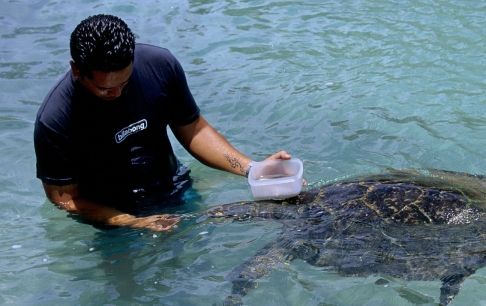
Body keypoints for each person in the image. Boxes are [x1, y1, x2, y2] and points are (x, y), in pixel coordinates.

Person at [34, 14, 294, 232]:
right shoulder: (55, 119)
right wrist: (131, 222)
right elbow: (66, 198)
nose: (117, 94)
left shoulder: (160, 65)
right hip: (112, 215)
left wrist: (253, 169)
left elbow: (195, 129)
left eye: (124, 83)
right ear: (77, 70)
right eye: (104, 89)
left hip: (174, 185)